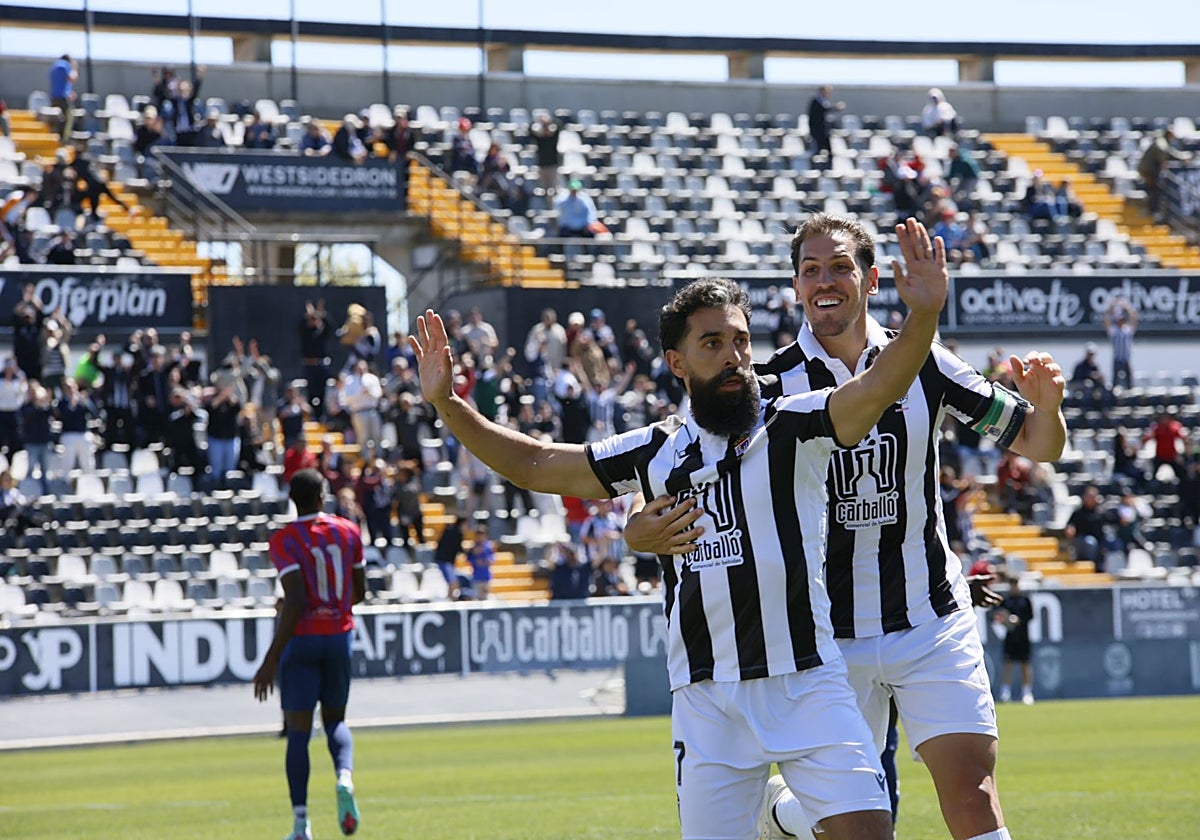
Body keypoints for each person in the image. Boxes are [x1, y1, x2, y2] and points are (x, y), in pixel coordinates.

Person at [408, 219, 951, 840]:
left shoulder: (796, 424)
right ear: (676, 362)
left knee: (869, 833)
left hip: (808, 681)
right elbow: (535, 463)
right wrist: (449, 404)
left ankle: (783, 818)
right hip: (708, 701)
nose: (734, 358)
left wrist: (924, 315)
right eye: (713, 344)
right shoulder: (654, 452)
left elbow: (879, 388)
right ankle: (780, 817)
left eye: (742, 342)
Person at [627, 213, 1067, 840]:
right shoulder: (764, 385)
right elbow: (682, 462)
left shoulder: (926, 362)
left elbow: (1037, 442)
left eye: (839, 267)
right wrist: (633, 533)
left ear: (872, 279)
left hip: (928, 616)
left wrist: (1047, 408)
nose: (823, 281)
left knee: (973, 793)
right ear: (796, 287)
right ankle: (784, 815)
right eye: (810, 270)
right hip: (827, 640)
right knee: (857, 818)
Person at [252, 468, 366, 840]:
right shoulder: (348, 531)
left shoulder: (284, 539)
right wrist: (332, 605)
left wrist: (271, 659)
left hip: (302, 641)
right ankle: (344, 778)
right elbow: (359, 592)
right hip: (339, 636)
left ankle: (301, 825)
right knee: (336, 721)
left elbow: (298, 599)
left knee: (299, 733)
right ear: (323, 497)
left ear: (293, 500)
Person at [1137, 127, 1192, 221]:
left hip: (1149, 170)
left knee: (1156, 190)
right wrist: (1179, 158)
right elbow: (1163, 151)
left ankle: (1153, 211)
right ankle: (1153, 212)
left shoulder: (1163, 141)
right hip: (1149, 170)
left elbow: (1168, 152)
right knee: (1156, 190)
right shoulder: (1161, 142)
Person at [996, 577, 1035, 705]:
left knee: (1025, 665)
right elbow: (998, 616)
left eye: (1015, 584)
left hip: (1023, 636)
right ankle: (1005, 692)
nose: (1014, 587)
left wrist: (1018, 620)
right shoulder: (1007, 601)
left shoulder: (1025, 600)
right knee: (1008, 664)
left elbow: (1030, 617)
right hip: (1010, 637)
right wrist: (1006, 621)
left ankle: (1027, 693)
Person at [1103, 297, 1138, 391]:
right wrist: (1111, 309)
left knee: (1129, 381)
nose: (1121, 322)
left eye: (1122, 320)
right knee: (1115, 380)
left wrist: (1127, 308)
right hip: (1117, 357)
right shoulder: (1114, 331)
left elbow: (1134, 319)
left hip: (1126, 357)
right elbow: (1106, 321)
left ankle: (1130, 397)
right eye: (1119, 320)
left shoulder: (1127, 330)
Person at [806, 85, 844, 162]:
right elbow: (823, 110)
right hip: (816, 129)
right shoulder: (816, 101)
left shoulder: (822, 101)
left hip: (822, 129)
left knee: (827, 149)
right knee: (817, 150)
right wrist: (836, 107)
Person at [529, 112, 561, 193]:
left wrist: (549, 120)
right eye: (544, 127)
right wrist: (537, 120)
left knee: (553, 189)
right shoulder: (540, 139)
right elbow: (530, 131)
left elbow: (559, 125)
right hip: (542, 166)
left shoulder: (553, 138)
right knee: (543, 189)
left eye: (546, 127)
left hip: (552, 166)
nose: (545, 129)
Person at [48, 54, 78, 139]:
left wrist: (69, 92)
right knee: (68, 118)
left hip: (54, 97)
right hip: (63, 98)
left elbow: (60, 83)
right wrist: (74, 68)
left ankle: (54, 137)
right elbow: (73, 78)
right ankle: (64, 139)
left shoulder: (54, 66)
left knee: (56, 120)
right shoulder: (65, 65)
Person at [466, 522, 495, 600]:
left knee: (486, 597)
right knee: (476, 597)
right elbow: (468, 559)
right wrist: (475, 558)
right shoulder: (473, 548)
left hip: (486, 576)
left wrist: (487, 561)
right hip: (476, 576)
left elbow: (492, 559)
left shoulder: (488, 547)